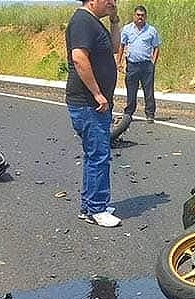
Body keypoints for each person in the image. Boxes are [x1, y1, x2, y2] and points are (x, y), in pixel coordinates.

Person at [65, 0, 122, 227]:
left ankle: (90, 206)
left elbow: (116, 48)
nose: (113, 2)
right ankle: (96, 209)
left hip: (95, 104)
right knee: (98, 156)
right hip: (89, 104)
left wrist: (115, 21)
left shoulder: (95, 23)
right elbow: (79, 58)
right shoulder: (82, 21)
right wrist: (97, 93)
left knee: (94, 155)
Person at [117, 5, 162, 124]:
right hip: (132, 65)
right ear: (134, 16)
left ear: (145, 17)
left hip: (147, 65)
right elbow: (121, 45)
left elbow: (156, 47)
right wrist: (119, 61)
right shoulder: (127, 29)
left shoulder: (151, 30)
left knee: (149, 91)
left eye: (142, 15)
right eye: (138, 15)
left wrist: (153, 62)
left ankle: (150, 114)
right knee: (131, 90)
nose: (140, 17)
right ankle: (129, 113)